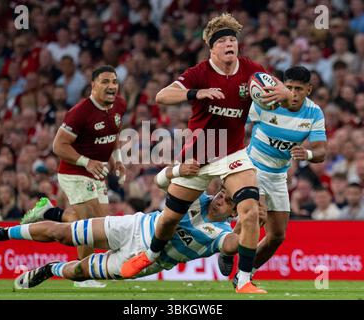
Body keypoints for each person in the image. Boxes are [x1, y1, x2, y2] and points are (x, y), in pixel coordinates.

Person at [119, 13, 293, 294]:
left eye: (232, 40)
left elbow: (280, 88)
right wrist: (195, 93)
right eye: (222, 40)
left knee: (249, 212)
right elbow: (162, 96)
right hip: (198, 156)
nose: (229, 44)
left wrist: (281, 93)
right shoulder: (199, 72)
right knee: (168, 220)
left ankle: (244, 280)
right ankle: (150, 255)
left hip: (233, 154)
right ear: (211, 48)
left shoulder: (250, 70)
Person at [0, 164, 251, 290]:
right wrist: (179, 170)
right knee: (65, 233)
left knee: (80, 270)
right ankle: (0, 233)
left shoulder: (222, 235)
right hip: (133, 226)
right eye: (221, 194)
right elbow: (161, 182)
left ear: (234, 213)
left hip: (142, 262)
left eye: (226, 201)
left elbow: (233, 245)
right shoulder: (197, 195)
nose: (219, 199)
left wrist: (250, 221)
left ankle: (50, 269)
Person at [218, 66, 327, 284]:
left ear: (309, 89)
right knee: (257, 215)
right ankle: (231, 255)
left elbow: (321, 151)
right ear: (281, 86)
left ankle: (245, 271)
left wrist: (306, 153)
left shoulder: (314, 113)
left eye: (299, 88)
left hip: (278, 176)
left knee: (277, 236)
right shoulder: (265, 104)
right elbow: (234, 120)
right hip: (252, 168)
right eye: (289, 87)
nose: (293, 93)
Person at [21, 65, 126, 287]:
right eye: (105, 82)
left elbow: (113, 133)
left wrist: (116, 157)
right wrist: (86, 162)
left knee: (99, 228)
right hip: (75, 172)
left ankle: (49, 212)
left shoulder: (120, 105)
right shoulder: (80, 112)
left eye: (114, 82)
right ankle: (83, 276)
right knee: (90, 226)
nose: (111, 86)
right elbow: (58, 145)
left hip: (98, 173)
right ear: (93, 85)